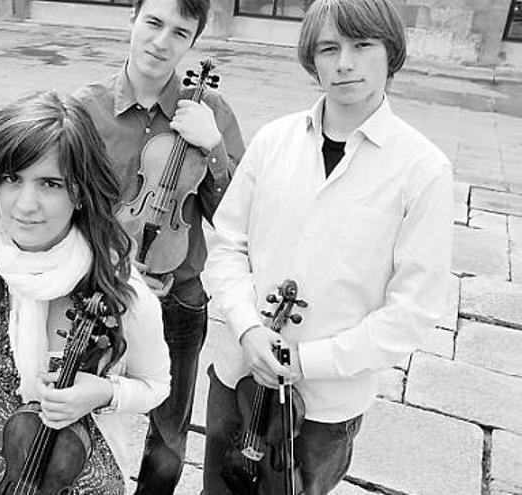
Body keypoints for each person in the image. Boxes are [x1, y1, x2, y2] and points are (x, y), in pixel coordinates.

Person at [201, 1, 454, 493]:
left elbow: (414, 309)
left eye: (362, 46)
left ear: (391, 52)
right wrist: (249, 328)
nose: (344, 63)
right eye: (329, 48)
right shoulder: (274, 140)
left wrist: (306, 361)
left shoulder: (423, 169)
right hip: (238, 374)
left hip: (325, 405)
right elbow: (228, 245)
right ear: (311, 60)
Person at [0, 91, 171, 495]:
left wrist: (105, 392)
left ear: (78, 192)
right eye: (12, 179)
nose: (26, 204)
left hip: (86, 481)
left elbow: (156, 386)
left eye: (49, 183)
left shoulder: (121, 290)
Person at [73, 0, 245, 491]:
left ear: (192, 41)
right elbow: (65, 205)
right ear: (132, 19)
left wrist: (213, 149)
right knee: (74, 409)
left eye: (179, 32)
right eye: (153, 23)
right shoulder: (86, 108)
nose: (161, 41)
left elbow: (235, 218)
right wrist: (112, 262)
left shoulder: (212, 112)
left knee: (169, 438)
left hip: (179, 292)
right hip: (98, 290)